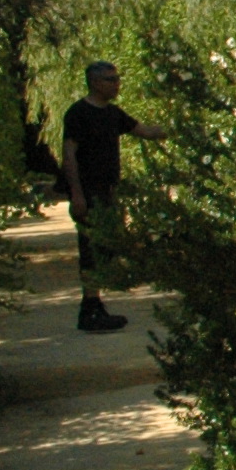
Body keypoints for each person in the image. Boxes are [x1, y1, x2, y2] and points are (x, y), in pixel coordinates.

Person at [59, 62, 167, 333]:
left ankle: (95, 306)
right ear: (95, 82)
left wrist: (182, 126)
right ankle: (90, 309)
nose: (117, 83)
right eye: (111, 79)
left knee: (105, 247)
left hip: (108, 191)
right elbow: (69, 154)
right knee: (90, 248)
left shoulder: (113, 114)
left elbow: (146, 132)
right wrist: (76, 194)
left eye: (117, 78)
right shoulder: (78, 113)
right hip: (89, 191)